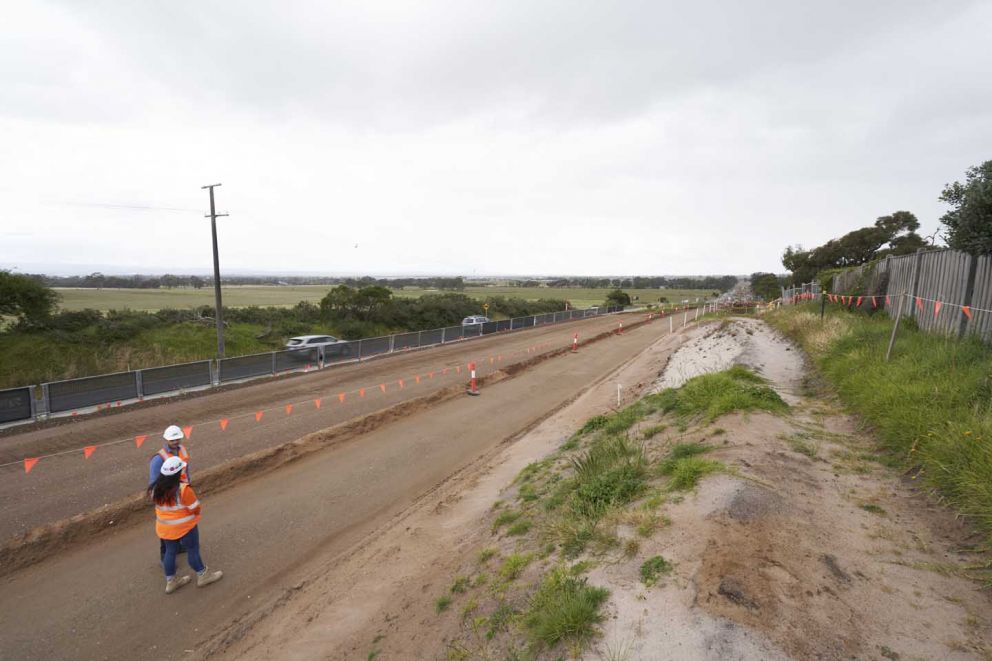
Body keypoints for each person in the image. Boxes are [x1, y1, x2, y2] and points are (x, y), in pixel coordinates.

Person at [151, 456, 223, 594]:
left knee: (170, 552)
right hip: (185, 526)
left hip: (164, 528)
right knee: (192, 549)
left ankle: (171, 581)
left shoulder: (155, 489)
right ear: (178, 473)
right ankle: (203, 575)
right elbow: (195, 508)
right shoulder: (183, 489)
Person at [148, 425, 191, 558]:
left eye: (177, 439)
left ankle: (177, 547)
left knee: (179, 520)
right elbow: (154, 481)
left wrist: (188, 484)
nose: (175, 442)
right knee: (167, 525)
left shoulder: (182, 450)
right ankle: (164, 555)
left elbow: (186, 469)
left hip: (181, 492)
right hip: (167, 496)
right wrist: (160, 497)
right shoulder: (158, 458)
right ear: (166, 440)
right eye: (172, 440)